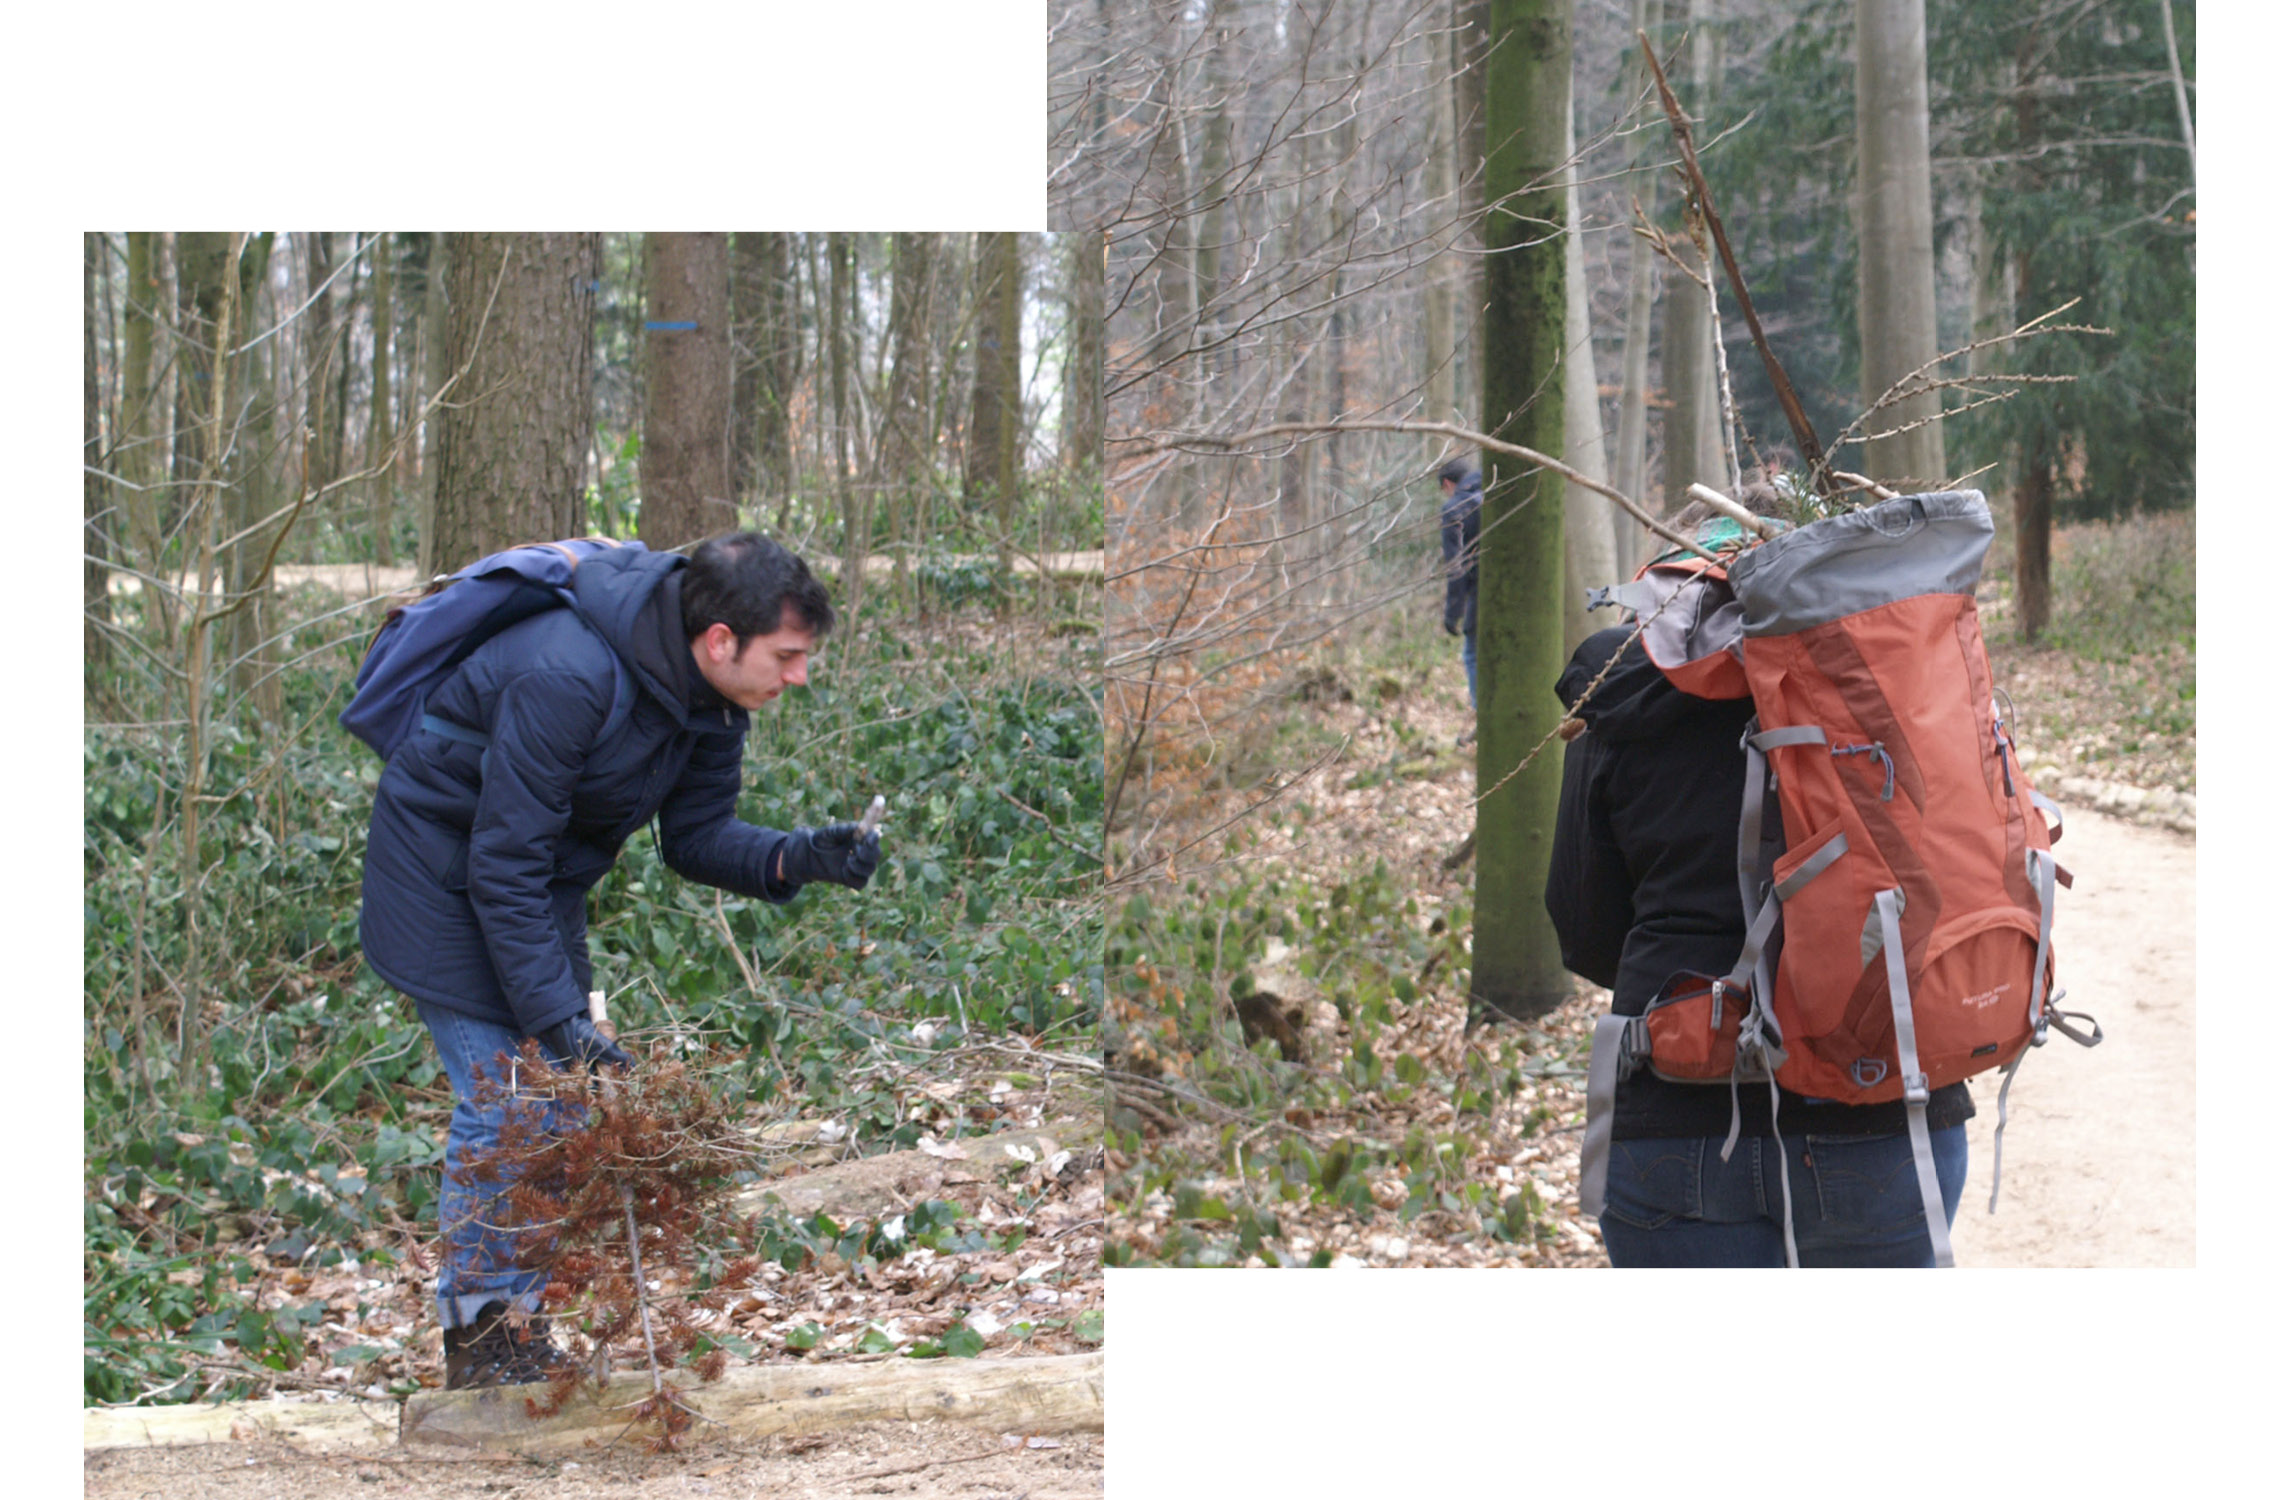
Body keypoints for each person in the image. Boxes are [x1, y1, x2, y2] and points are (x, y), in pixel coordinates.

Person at [357, 531, 882, 1385]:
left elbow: (698, 838)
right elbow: (503, 864)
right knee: (512, 1104)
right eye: (786, 656)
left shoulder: (709, 698)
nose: (798, 676)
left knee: (556, 1104)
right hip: (440, 880)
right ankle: (482, 1348)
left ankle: (514, 1336)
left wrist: (799, 857)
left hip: (530, 888)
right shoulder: (566, 673)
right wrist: (564, 1022)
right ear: (721, 641)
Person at [1541, 510, 1973, 1268]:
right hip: (1888, 1113)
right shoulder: (1904, 674)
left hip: (1679, 1104)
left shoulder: (1623, 687)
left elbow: (1582, 927)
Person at [1438, 458, 1482, 709]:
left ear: (1447, 483)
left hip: (1480, 592)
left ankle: (1481, 715)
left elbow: (1456, 566)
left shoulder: (1455, 509)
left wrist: (1453, 612)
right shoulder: (1497, 489)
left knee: (1472, 655)